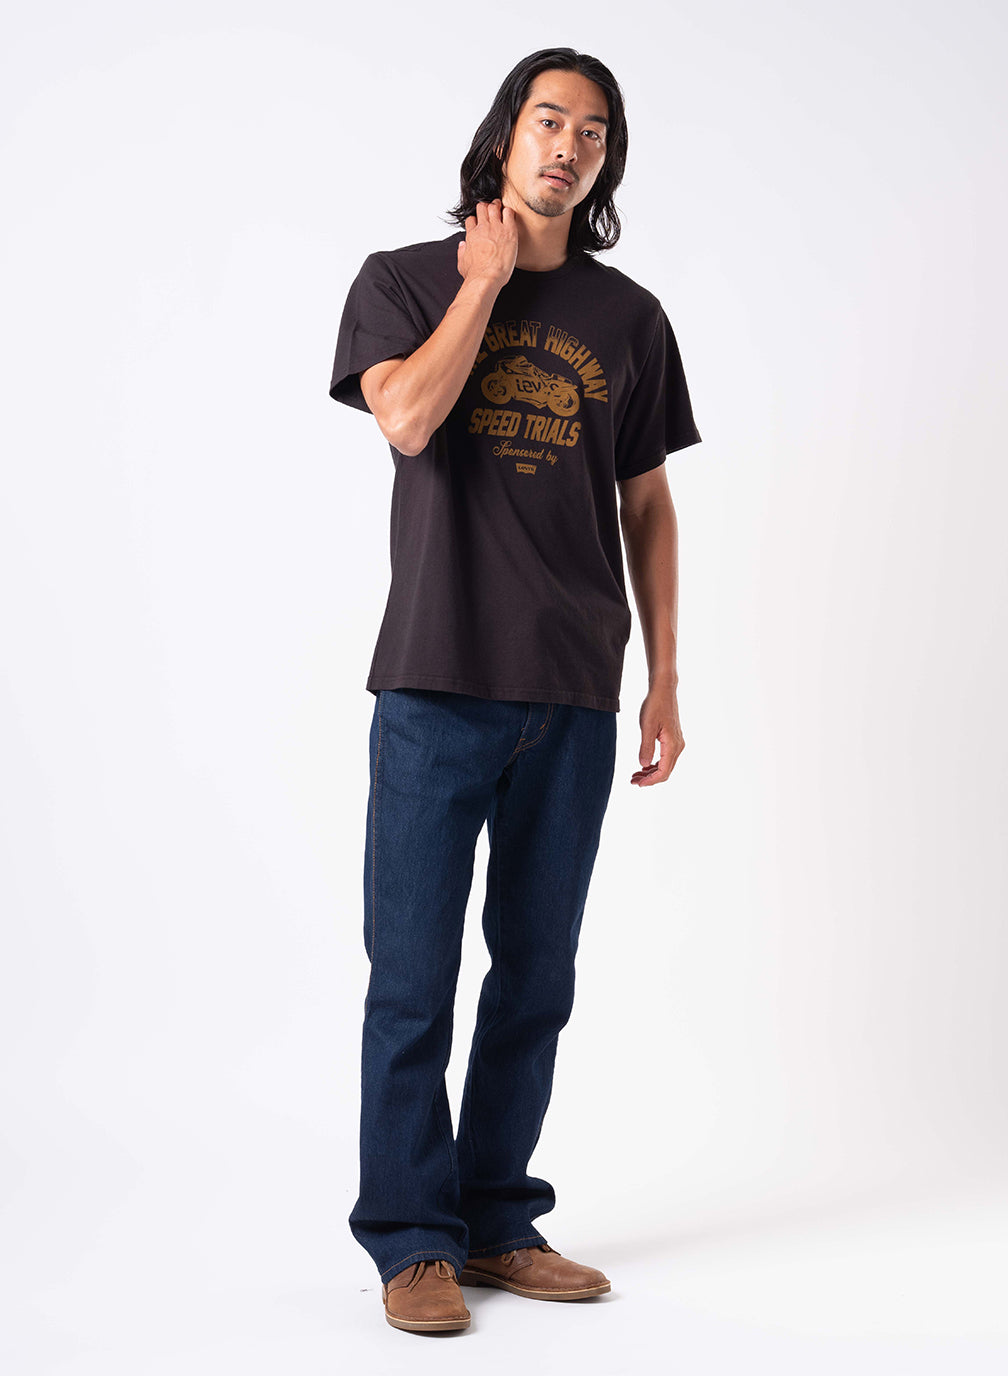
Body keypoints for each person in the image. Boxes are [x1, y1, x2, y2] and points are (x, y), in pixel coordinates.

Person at [328, 46, 702, 1335]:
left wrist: (663, 676)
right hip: (436, 682)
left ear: (606, 161)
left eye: (593, 133)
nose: (568, 147)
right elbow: (406, 420)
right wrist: (483, 281)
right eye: (550, 120)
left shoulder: (630, 319)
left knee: (537, 974)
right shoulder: (402, 281)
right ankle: (411, 1241)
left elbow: (648, 504)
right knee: (412, 976)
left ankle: (495, 1221)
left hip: (575, 694)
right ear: (506, 135)